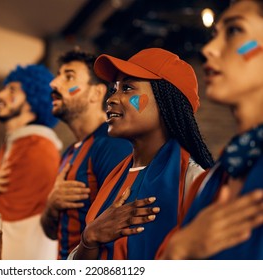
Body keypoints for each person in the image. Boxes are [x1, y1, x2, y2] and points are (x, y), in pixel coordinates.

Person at [72, 48, 215, 260]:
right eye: (114, 89)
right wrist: (90, 237)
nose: (112, 99)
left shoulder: (194, 181)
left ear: (166, 102)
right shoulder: (114, 175)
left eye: (128, 88)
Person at [156, 0, 263, 260]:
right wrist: (178, 252)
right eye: (214, 35)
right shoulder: (212, 178)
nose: (209, 49)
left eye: (235, 31)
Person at [40, 50, 133, 259]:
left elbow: (122, 238)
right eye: (58, 75)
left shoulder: (112, 146)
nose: (54, 84)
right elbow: (50, 232)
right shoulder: (70, 153)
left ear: (96, 93)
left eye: (69, 76)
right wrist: (51, 206)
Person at [0, 64, 62, 260]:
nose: (0, 95)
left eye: (12, 90)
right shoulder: (14, 145)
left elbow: (21, 218)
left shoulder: (39, 147)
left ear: (32, 99)